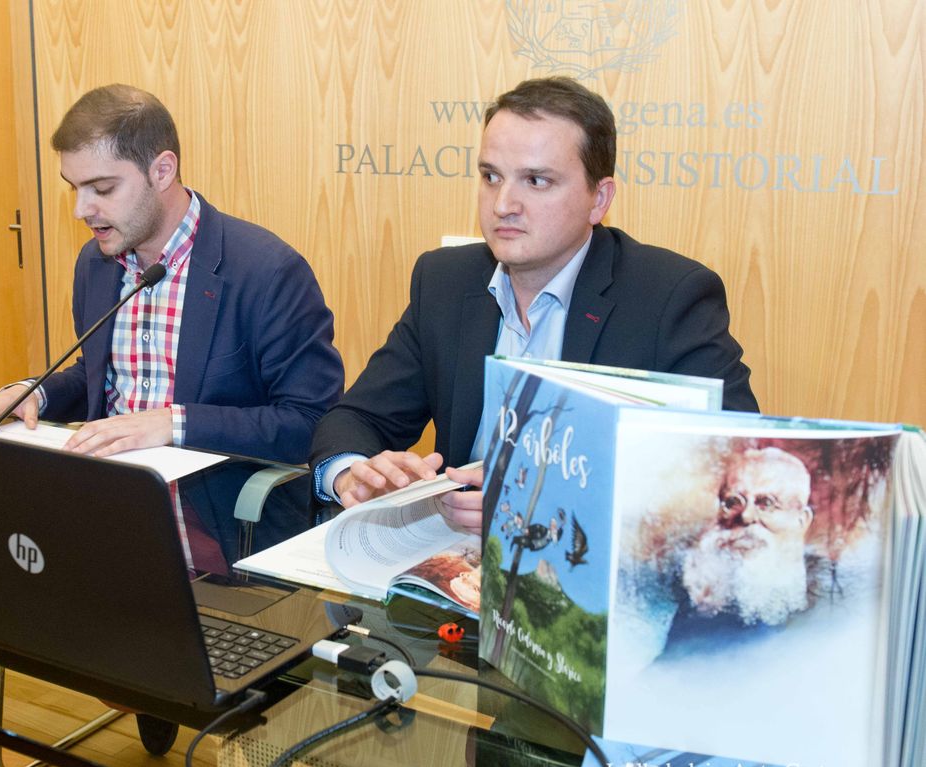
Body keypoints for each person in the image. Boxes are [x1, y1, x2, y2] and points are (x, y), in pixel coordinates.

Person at [310, 77, 758, 527]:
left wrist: (546, 506)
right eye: (491, 177)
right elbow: (356, 419)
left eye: (536, 181)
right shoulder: (445, 281)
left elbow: (731, 471)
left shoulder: (668, 298)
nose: (503, 204)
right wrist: (353, 474)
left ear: (599, 199)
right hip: (452, 549)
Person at [0, 84, 342, 465]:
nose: (80, 210)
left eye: (102, 189)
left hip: (215, 500)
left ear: (162, 171)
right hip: (110, 487)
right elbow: (99, 375)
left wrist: (175, 423)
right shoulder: (95, 263)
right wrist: (33, 394)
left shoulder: (268, 271)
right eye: (73, 189)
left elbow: (309, 421)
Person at [664, 446, 813, 651]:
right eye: (733, 502)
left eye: (766, 503)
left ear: (801, 521)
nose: (746, 516)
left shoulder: (829, 605)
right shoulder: (698, 602)